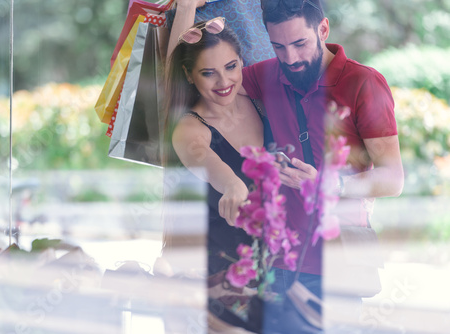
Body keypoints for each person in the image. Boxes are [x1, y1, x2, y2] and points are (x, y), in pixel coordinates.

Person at [170, 0, 404, 314]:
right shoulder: (268, 74)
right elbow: (194, 76)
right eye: (278, 46)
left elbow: (393, 180)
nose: (291, 58)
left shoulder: (363, 83)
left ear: (323, 29)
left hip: (337, 258)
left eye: (300, 43)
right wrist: (190, 18)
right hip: (278, 261)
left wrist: (329, 184)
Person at [164, 14, 268, 277]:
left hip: (274, 268)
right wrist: (233, 185)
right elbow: (211, 166)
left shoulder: (261, 103)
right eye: (209, 73)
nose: (224, 82)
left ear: (242, 62)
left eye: (231, 67)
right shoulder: (188, 128)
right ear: (188, 75)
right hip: (215, 276)